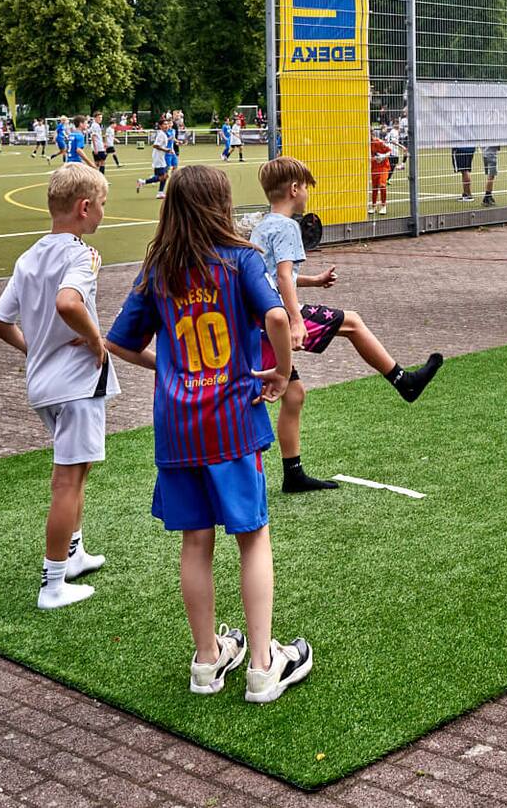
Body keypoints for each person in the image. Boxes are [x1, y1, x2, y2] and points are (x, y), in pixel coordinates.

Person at [104, 163, 313, 703]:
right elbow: (273, 319)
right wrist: (283, 373)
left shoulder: (158, 269)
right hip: (231, 422)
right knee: (252, 536)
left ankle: (206, 661)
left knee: (195, 542)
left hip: (177, 425)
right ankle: (264, 666)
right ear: (221, 205)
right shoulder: (240, 260)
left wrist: (168, 368)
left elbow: (120, 343)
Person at [251, 155, 441, 494]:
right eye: (306, 187)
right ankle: (403, 381)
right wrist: (296, 321)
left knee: (293, 394)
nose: (307, 193)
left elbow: (274, 276)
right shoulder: (289, 227)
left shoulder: (264, 225)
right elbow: (282, 278)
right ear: (295, 189)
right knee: (352, 322)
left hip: (258, 319)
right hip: (277, 317)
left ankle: (293, 473)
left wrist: (313, 280)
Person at [0, 163, 117, 610]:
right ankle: (53, 583)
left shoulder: (29, 256)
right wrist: (96, 338)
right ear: (84, 208)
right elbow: (68, 302)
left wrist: (34, 349)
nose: (103, 213)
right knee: (67, 480)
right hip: (76, 383)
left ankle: (73, 554)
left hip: (45, 385)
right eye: (101, 205)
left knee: (78, 472)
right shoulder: (82, 254)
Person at [138, 117, 172, 197]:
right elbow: (155, 145)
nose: (166, 126)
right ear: (160, 126)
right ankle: (143, 182)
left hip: (160, 157)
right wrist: (166, 150)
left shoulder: (164, 134)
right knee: (164, 176)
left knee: (164, 176)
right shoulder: (161, 134)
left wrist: (168, 149)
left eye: (167, 124)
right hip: (158, 158)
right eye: (164, 124)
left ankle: (160, 192)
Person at [370, 127, 394, 216]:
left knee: (382, 185)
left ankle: (383, 206)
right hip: (374, 167)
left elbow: (389, 151)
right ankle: (373, 206)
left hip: (383, 167)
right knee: (374, 187)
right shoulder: (367, 144)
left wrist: (382, 156)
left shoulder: (379, 142)